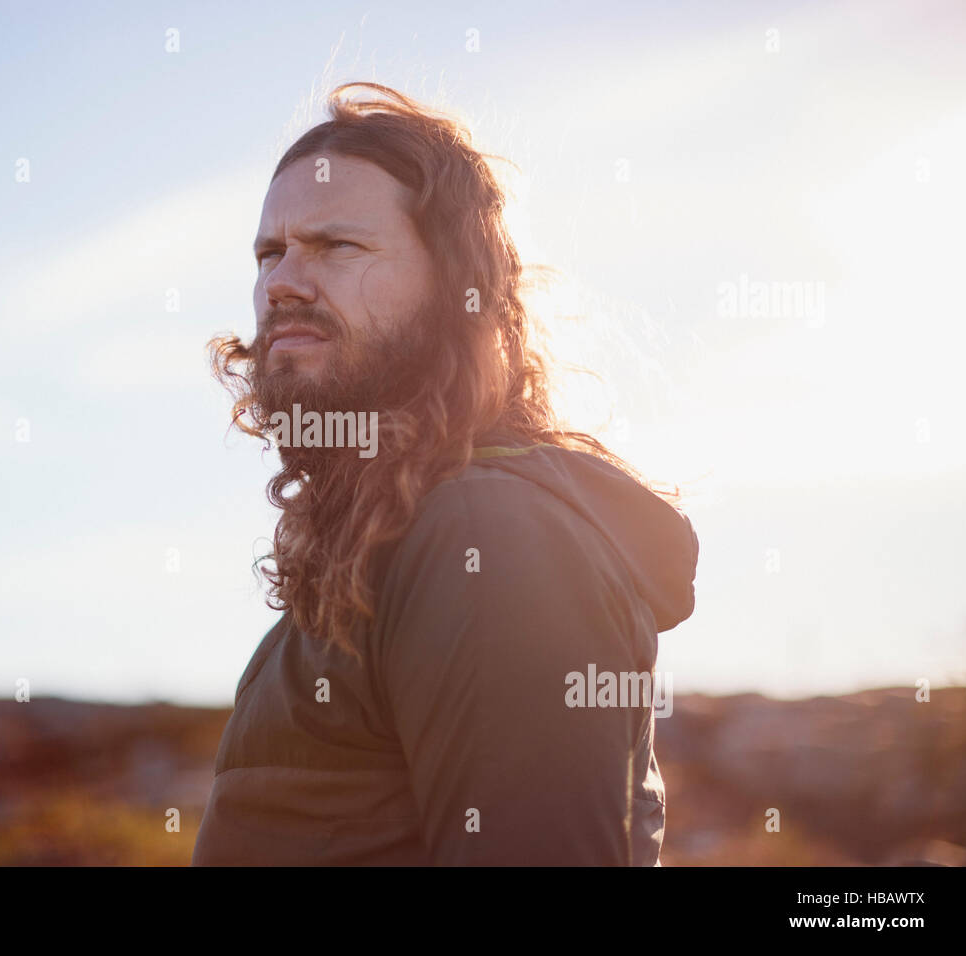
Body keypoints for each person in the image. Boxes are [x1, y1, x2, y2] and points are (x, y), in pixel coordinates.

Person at [192, 83, 699, 865]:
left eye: (337, 247)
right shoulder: (380, 544)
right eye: (270, 253)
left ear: (455, 288)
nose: (282, 281)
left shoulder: (487, 536)